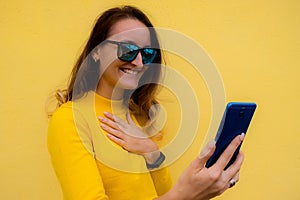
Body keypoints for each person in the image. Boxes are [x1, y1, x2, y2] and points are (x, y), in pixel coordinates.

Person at [47, 5, 244, 200]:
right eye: (127, 49)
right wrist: (185, 195)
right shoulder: (71, 118)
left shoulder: (141, 117)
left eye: (147, 53)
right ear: (96, 51)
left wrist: (152, 152)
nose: (139, 62)